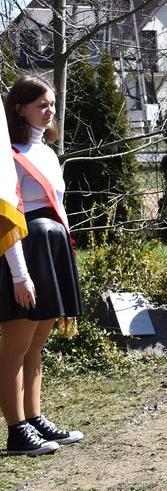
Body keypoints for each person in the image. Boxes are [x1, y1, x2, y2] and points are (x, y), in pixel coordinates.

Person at [1, 76, 84, 455]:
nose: (49, 111)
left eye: (51, 104)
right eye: (41, 105)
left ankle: (35, 418)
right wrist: (20, 275)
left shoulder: (48, 152)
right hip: (23, 256)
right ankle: (17, 430)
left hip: (51, 253)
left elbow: (59, 205)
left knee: (37, 345)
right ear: (19, 108)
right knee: (16, 346)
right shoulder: (8, 156)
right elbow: (7, 217)